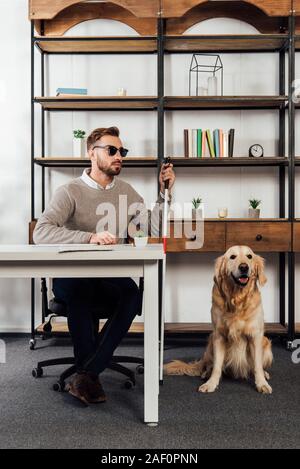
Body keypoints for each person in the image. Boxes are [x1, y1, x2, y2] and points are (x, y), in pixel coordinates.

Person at [33, 126, 175, 405]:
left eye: (122, 151)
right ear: (91, 153)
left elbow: (152, 229)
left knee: (132, 294)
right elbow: (42, 232)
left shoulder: (128, 192)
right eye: (112, 150)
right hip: (72, 275)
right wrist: (89, 237)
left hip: (110, 274)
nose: (118, 156)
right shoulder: (69, 192)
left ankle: (87, 372)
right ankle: (90, 373)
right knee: (81, 291)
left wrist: (163, 195)